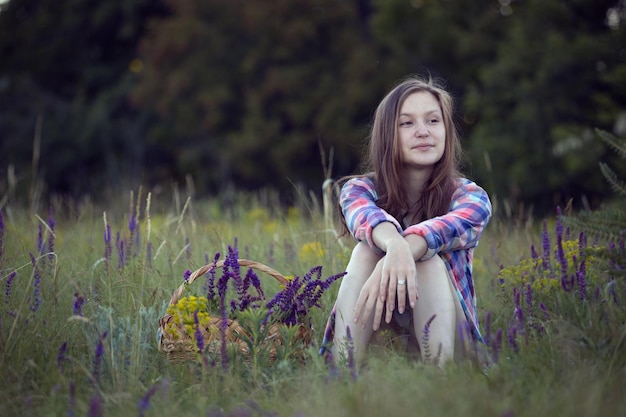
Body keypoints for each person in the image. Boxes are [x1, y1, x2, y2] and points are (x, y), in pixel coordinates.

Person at [321, 76, 492, 367]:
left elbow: (439, 234)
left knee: (427, 260)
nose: (423, 132)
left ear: (447, 132)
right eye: (407, 123)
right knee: (366, 251)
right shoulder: (360, 189)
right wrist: (395, 249)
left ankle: (440, 384)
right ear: (388, 134)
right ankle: (342, 374)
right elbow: (365, 217)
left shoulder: (470, 197)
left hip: (454, 343)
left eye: (433, 121)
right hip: (383, 336)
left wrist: (402, 251)